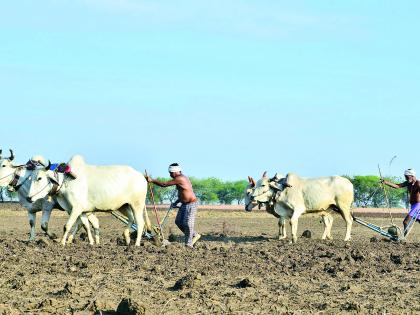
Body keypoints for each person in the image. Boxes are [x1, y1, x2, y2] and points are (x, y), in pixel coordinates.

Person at [145, 163, 201, 248]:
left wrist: (152, 180)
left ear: (175, 172)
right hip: (184, 204)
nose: (170, 175)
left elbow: (164, 184)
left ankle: (188, 244)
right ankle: (195, 235)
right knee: (178, 222)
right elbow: (183, 192)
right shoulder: (179, 179)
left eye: (171, 173)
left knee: (188, 224)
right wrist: (176, 202)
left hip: (191, 204)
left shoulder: (180, 178)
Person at [381, 168, 420, 235]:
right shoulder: (408, 183)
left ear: (412, 175)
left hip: (418, 205)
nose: (405, 178)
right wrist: (385, 182)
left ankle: (403, 238)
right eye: (405, 177)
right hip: (413, 206)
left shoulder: (418, 183)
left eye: (407, 176)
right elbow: (397, 186)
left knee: (406, 222)